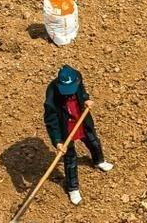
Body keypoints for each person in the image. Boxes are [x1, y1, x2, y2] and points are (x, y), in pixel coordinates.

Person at [43, 65, 113, 205]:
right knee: (70, 159)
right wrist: (57, 141)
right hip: (66, 127)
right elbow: (51, 120)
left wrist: (86, 99)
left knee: (93, 141)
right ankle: (73, 188)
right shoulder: (52, 92)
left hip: (81, 120)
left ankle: (99, 161)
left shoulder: (78, 77)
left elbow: (82, 92)